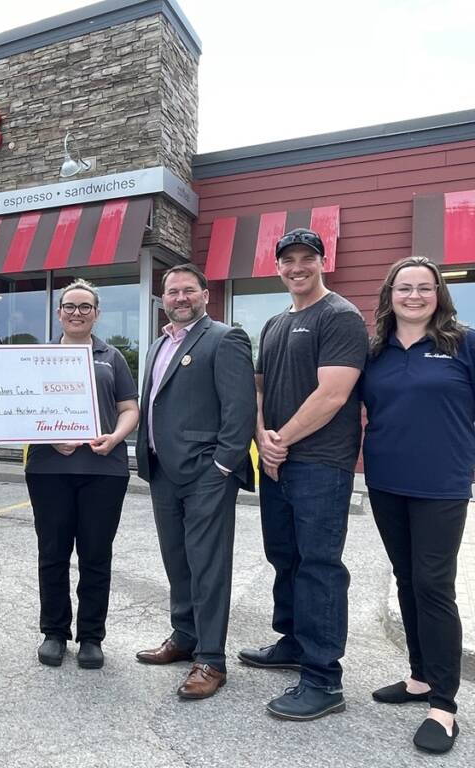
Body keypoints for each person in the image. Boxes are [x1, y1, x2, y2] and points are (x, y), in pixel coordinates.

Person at [241, 227, 368, 721]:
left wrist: (280, 440)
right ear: (277, 267)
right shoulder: (273, 323)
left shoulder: (339, 316)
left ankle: (323, 678)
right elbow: (257, 387)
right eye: (288, 260)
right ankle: (293, 641)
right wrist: (261, 438)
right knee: (284, 556)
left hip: (321, 464)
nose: (297, 267)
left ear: (322, 262)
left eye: (306, 258)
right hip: (277, 461)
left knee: (319, 567)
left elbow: (333, 394)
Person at [361, 256, 471, 755]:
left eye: (424, 288)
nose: (413, 296)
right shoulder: (376, 351)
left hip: (441, 486)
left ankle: (445, 706)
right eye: (404, 288)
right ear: (390, 295)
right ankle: (420, 677)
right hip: (386, 482)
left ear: (438, 295)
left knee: (433, 585)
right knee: (406, 577)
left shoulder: (462, 343)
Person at [133, 263, 255, 699]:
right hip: (162, 472)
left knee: (208, 566)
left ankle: (211, 659)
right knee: (177, 561)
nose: (180, 298)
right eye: (172, 292)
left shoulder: (225, 338)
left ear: (205, 294)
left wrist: (223, 466)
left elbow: (240, 409)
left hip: (206, 475)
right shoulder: (157, 345)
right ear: (162, 298)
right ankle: (184, 638)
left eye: (188, 290)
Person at [25, 279, 139, 669]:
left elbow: (129, 409)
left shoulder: (113, 358)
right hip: (48, 469)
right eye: (69, 306)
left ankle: (91, 636)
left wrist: (116, 437)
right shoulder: (38, 358)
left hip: (103, 469)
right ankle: (54, 632)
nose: (77, 312)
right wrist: (50, 437)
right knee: (52, 553)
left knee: (95, 555)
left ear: (96, 313)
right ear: (59, 313)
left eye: (85, 307)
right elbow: (23, 411)